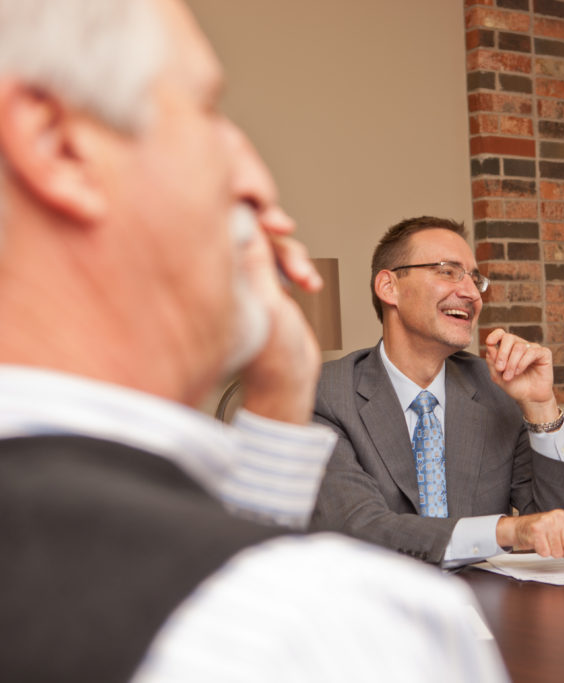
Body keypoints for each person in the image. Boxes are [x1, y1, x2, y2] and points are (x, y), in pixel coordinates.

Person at [0, 1, 507, 681]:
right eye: (207, 110)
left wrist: (279, 394)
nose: (257, 185)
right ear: (57, 143)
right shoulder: (348, 631)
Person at [310, 216, 564, 568]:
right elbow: (361, 529)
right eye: (447, 271)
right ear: (389, 287)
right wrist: (507, 531)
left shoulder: (496, 390)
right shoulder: (325, 395)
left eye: (475, 279)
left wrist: (541, 407)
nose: (472, 294)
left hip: (485, 611)